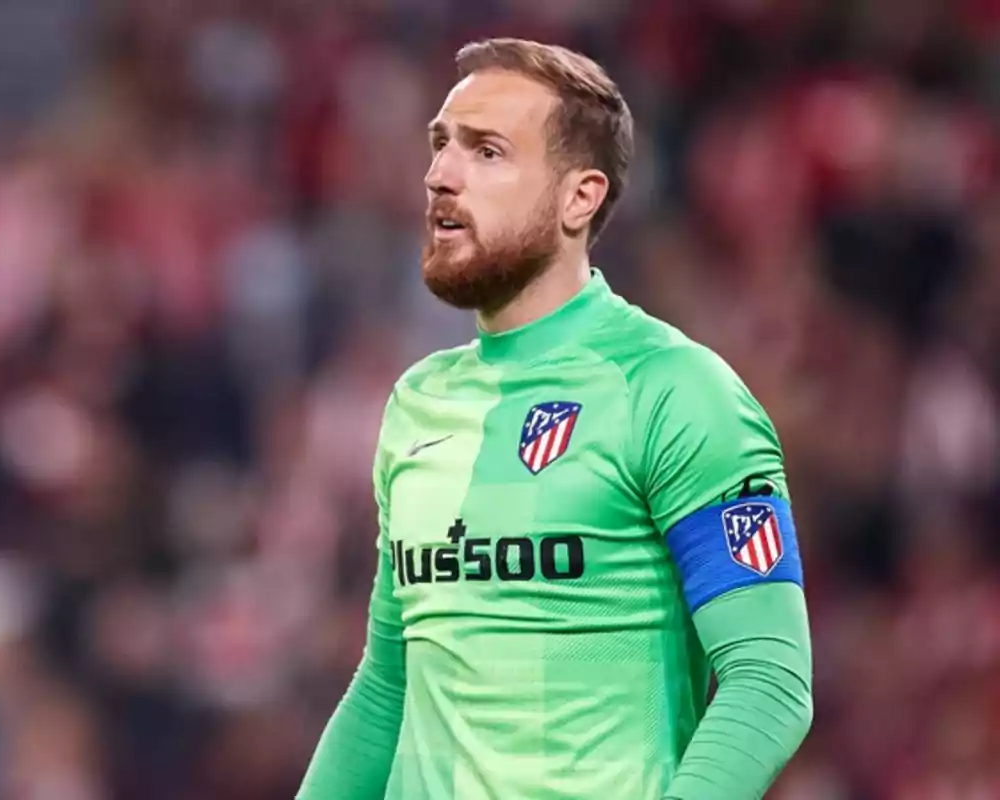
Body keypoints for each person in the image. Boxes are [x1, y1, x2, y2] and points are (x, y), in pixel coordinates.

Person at [298, 38, 812, 800]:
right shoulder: (419, 403)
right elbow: (387, 688)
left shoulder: (672, 391)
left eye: (488, 151)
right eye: (441, 146)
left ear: (581, 197)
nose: (440, 175)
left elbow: (769, 682)